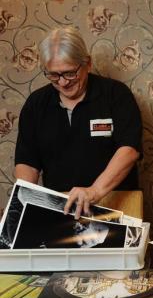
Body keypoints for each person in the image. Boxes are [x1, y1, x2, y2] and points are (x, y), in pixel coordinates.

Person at [14, 27, 142, 218]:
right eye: (54, 75)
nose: (63, 83)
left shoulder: (116, 95)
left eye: (69, 73)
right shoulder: (36, 104)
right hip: (61, 209)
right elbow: (27, 163)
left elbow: (129, 150)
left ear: (87, 64)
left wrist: (94, 191)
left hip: (114, 204)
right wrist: (27, 201)